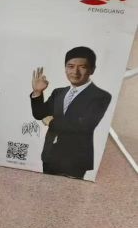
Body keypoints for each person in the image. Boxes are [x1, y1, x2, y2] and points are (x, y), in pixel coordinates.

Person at [30, 46, 112, 179]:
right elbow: (39, 114)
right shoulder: (58, 92)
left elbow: (84, 126)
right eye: (71, 66)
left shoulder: (100, 96)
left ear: (92, 69)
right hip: (50, 155)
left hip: (75, 160)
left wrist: (51, 121)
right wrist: (37, 92)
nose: (75, 71)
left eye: (82, 67)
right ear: (65, 68)